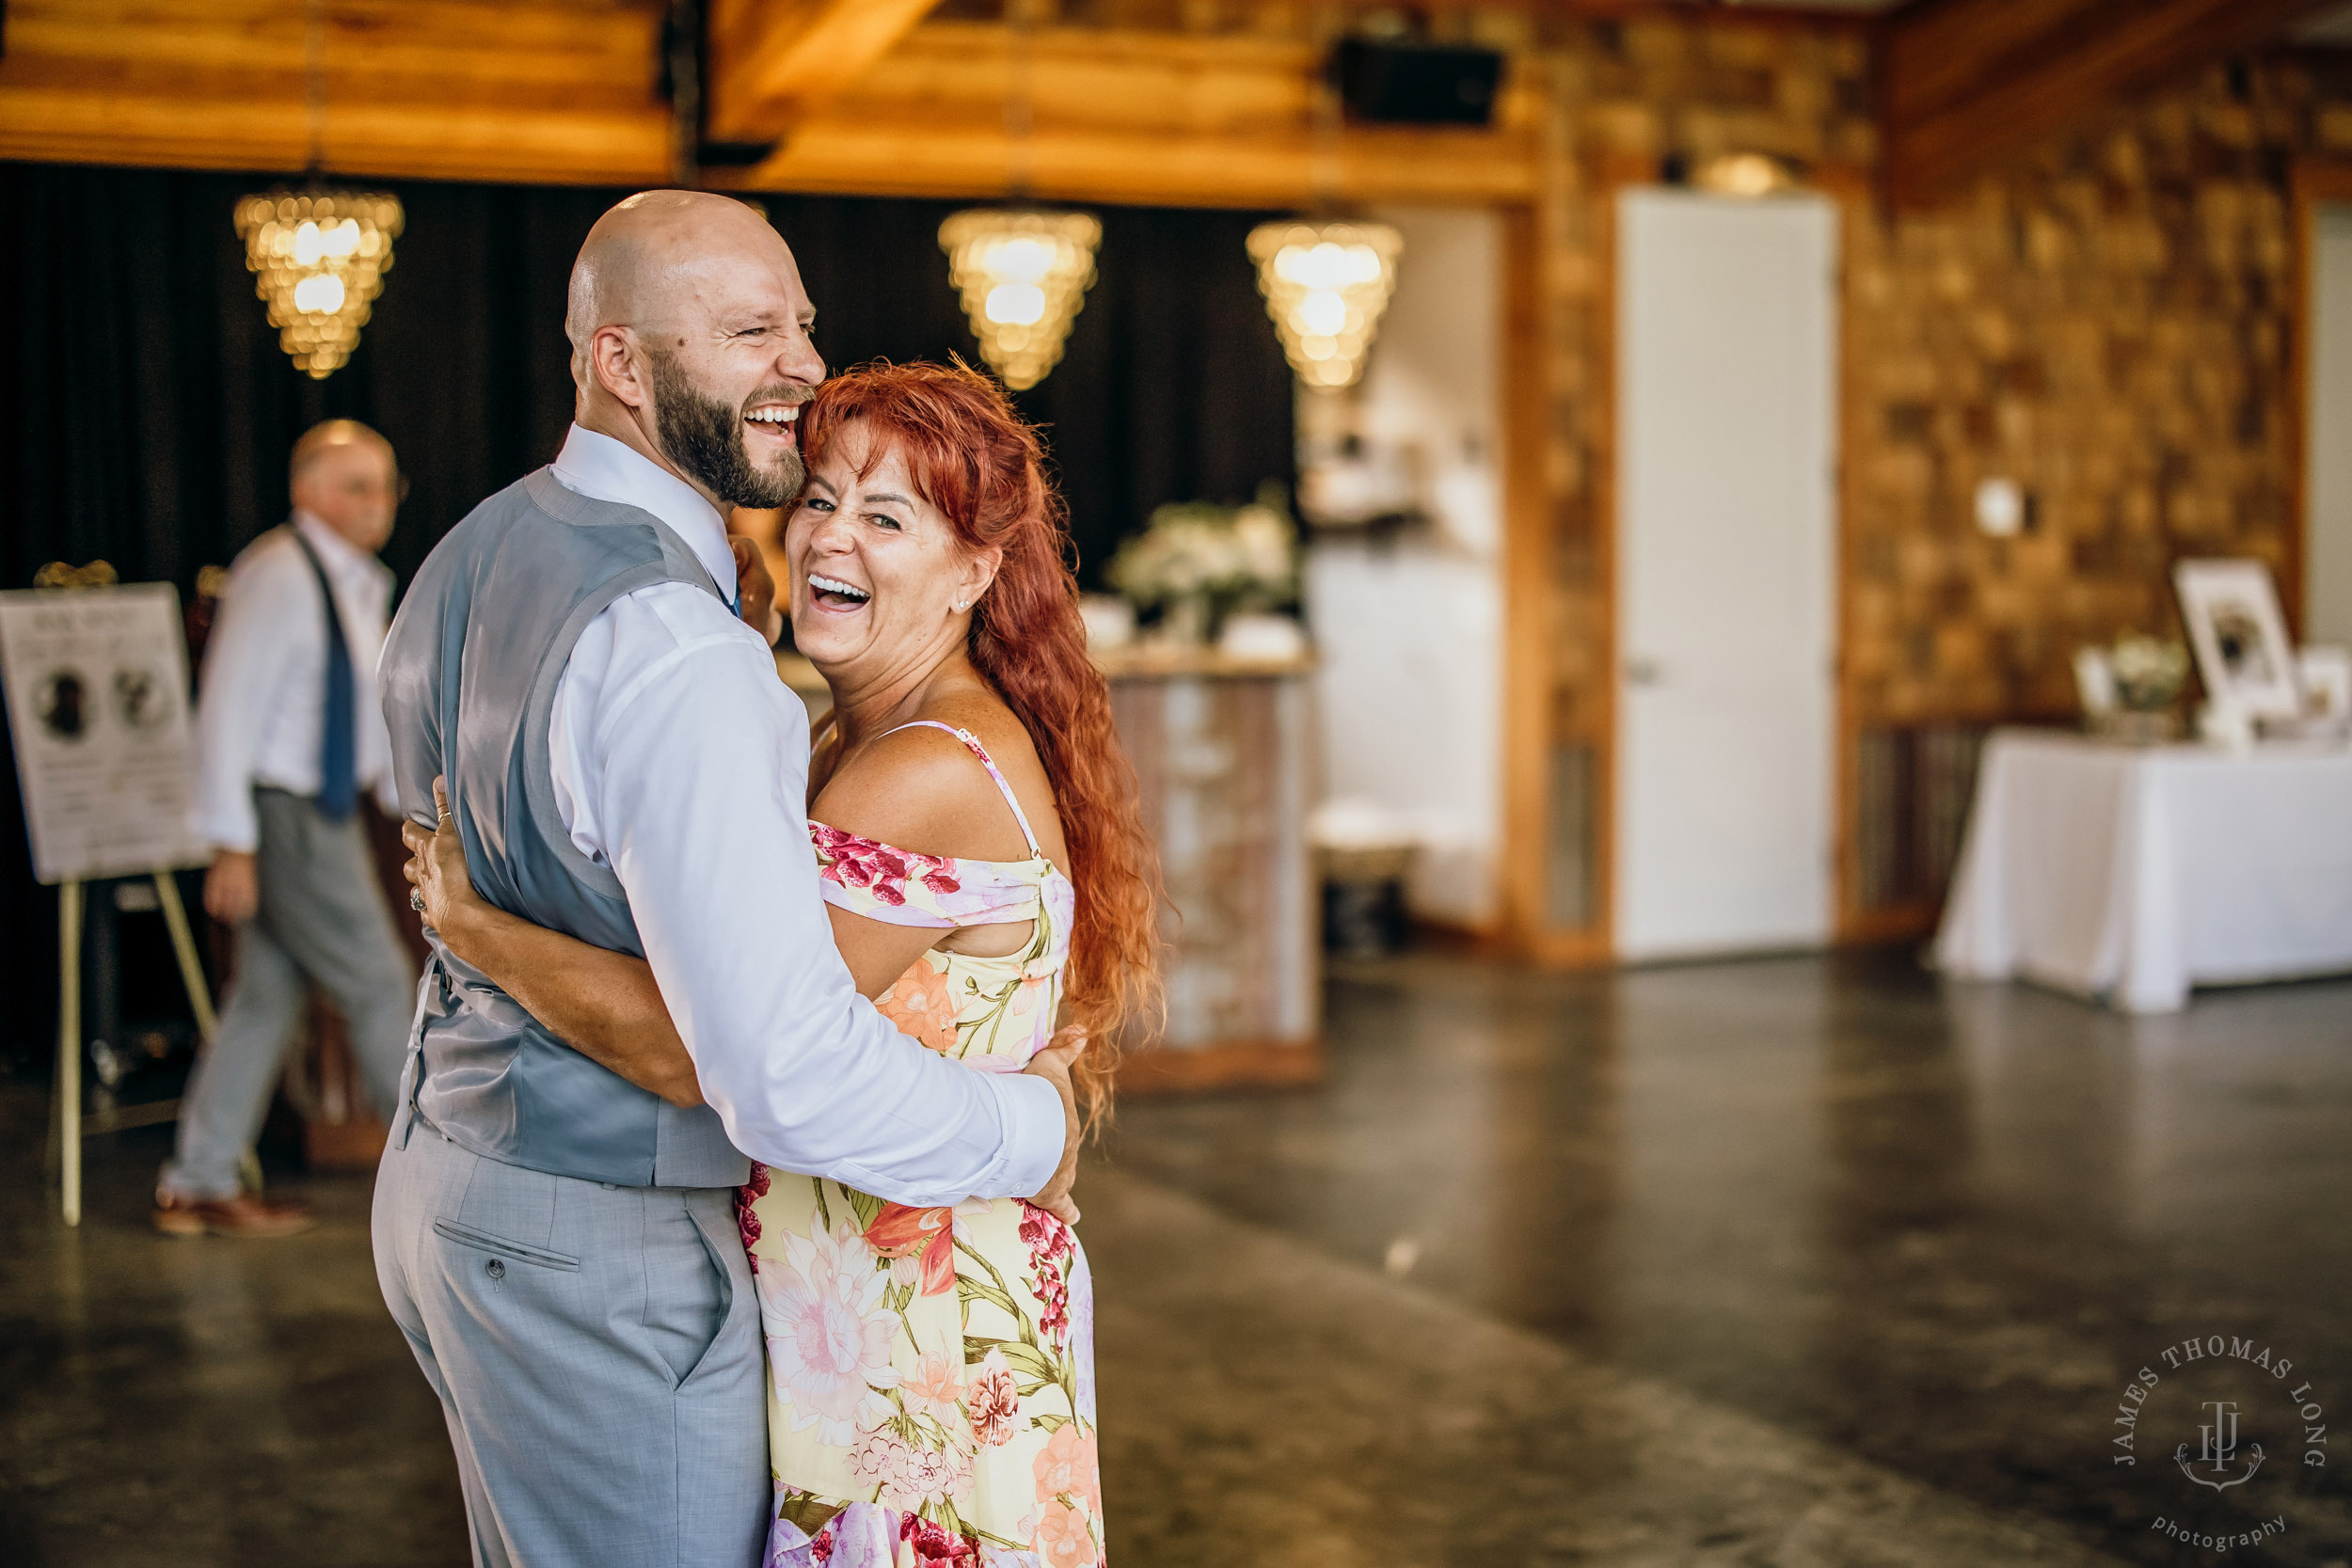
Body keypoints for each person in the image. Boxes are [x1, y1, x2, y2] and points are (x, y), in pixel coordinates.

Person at [371, 191, 1094, 1568]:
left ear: (975, 572)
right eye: (753, 328)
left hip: (452, 1181)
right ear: (621, 362)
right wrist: (1034, 1132)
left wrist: (475, 930)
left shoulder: (481, 545)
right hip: (603, 1239)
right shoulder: (689, 651)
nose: (801, 365)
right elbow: (768, 1063)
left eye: (803, 323)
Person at [158, 419, 416, 1238]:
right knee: (380, 984)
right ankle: (440, 1181)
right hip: (288, 814)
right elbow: (227, 710)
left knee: (263, 999)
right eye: (356, 486)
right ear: (307, 491)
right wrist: (231, 841)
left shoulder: (349, 578)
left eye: (385, 486)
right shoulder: (278, 573)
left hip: (316, 809)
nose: (376, 504)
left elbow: (357, 714)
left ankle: (197, 1178)